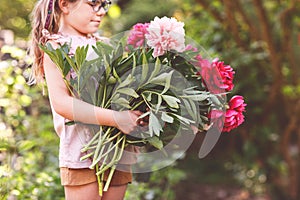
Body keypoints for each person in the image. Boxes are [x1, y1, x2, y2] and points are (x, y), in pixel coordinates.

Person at [29, 0, 143, 199]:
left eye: (104, 5)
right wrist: (117, 118)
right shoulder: (56, 47)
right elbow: (63, 104)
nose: (100, 12)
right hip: (81, 152)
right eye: (93, 4)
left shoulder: (106, 45)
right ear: (64, 5)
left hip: (117, 149)